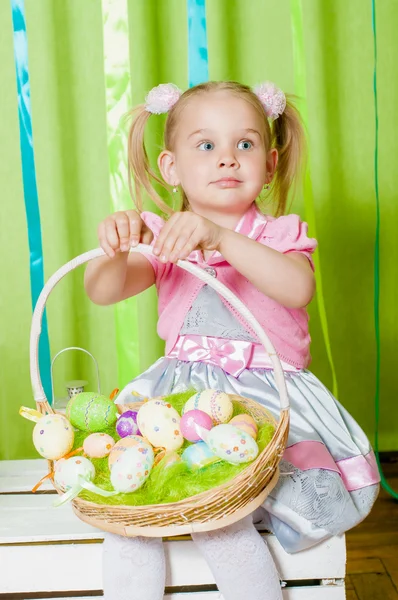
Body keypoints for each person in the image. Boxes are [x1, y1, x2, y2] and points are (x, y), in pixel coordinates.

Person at [84, 80, 380, 600]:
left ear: (268, 163)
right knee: (132, 515)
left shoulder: (279, 233)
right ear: (171, 167)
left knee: (221, 517)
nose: (227, 159)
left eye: (243, 145)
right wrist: (115, 245)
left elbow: (297, 288)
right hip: (180, 401)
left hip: (262, 404)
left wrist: (218, 236)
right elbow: (103, 290)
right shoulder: (162, 235)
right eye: (206, 145)